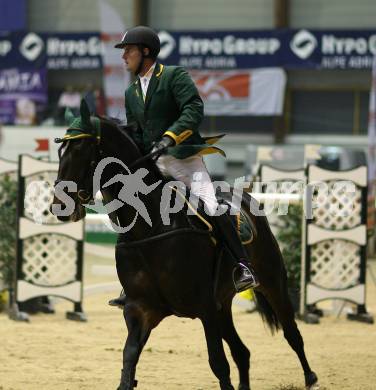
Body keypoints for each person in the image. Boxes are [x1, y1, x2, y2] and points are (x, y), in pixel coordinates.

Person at [109, 26, 258, 307]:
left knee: (212, 208)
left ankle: (242, 267)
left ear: (145, 51)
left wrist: (169, 137)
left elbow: (193, 109)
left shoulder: (174, 76)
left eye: (128, 50)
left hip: (184, 161)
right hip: (153, 164)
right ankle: (132, 283)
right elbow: (138, 133)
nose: (124, 56)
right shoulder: (131, 93)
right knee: (133, 212)